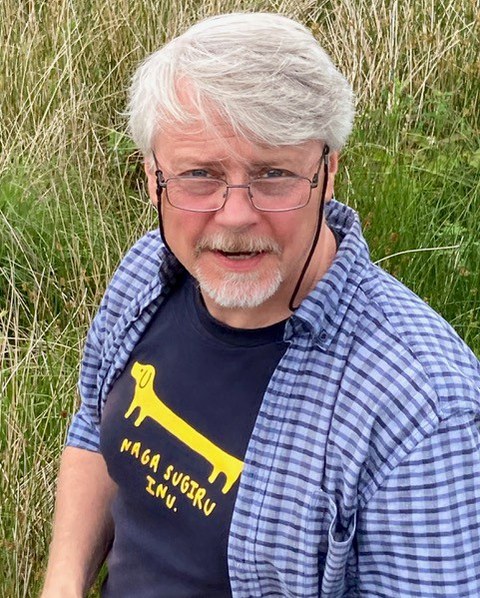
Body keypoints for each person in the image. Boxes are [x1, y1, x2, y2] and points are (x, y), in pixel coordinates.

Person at [42, 12, 480, 598]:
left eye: (274, 174)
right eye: (199, 175)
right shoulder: (147, 272)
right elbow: (95, 429)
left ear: (328, 172)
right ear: (152, 178)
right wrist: (63, 585)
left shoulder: (421, 411)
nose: (236, 215)